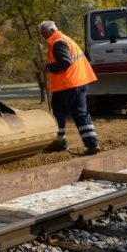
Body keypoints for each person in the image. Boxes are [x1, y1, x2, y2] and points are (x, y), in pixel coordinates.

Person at [38, 21, 101, 155]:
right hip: (79, 82)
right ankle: (92, 143)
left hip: (67, 85)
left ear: (51, 30)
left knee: (58, 112)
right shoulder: (66, 39)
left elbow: (66, 62)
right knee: (81, 114)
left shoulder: (57, 43)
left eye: (43, 32)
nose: (42, 36)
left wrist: (47, 67)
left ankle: (60, 142)